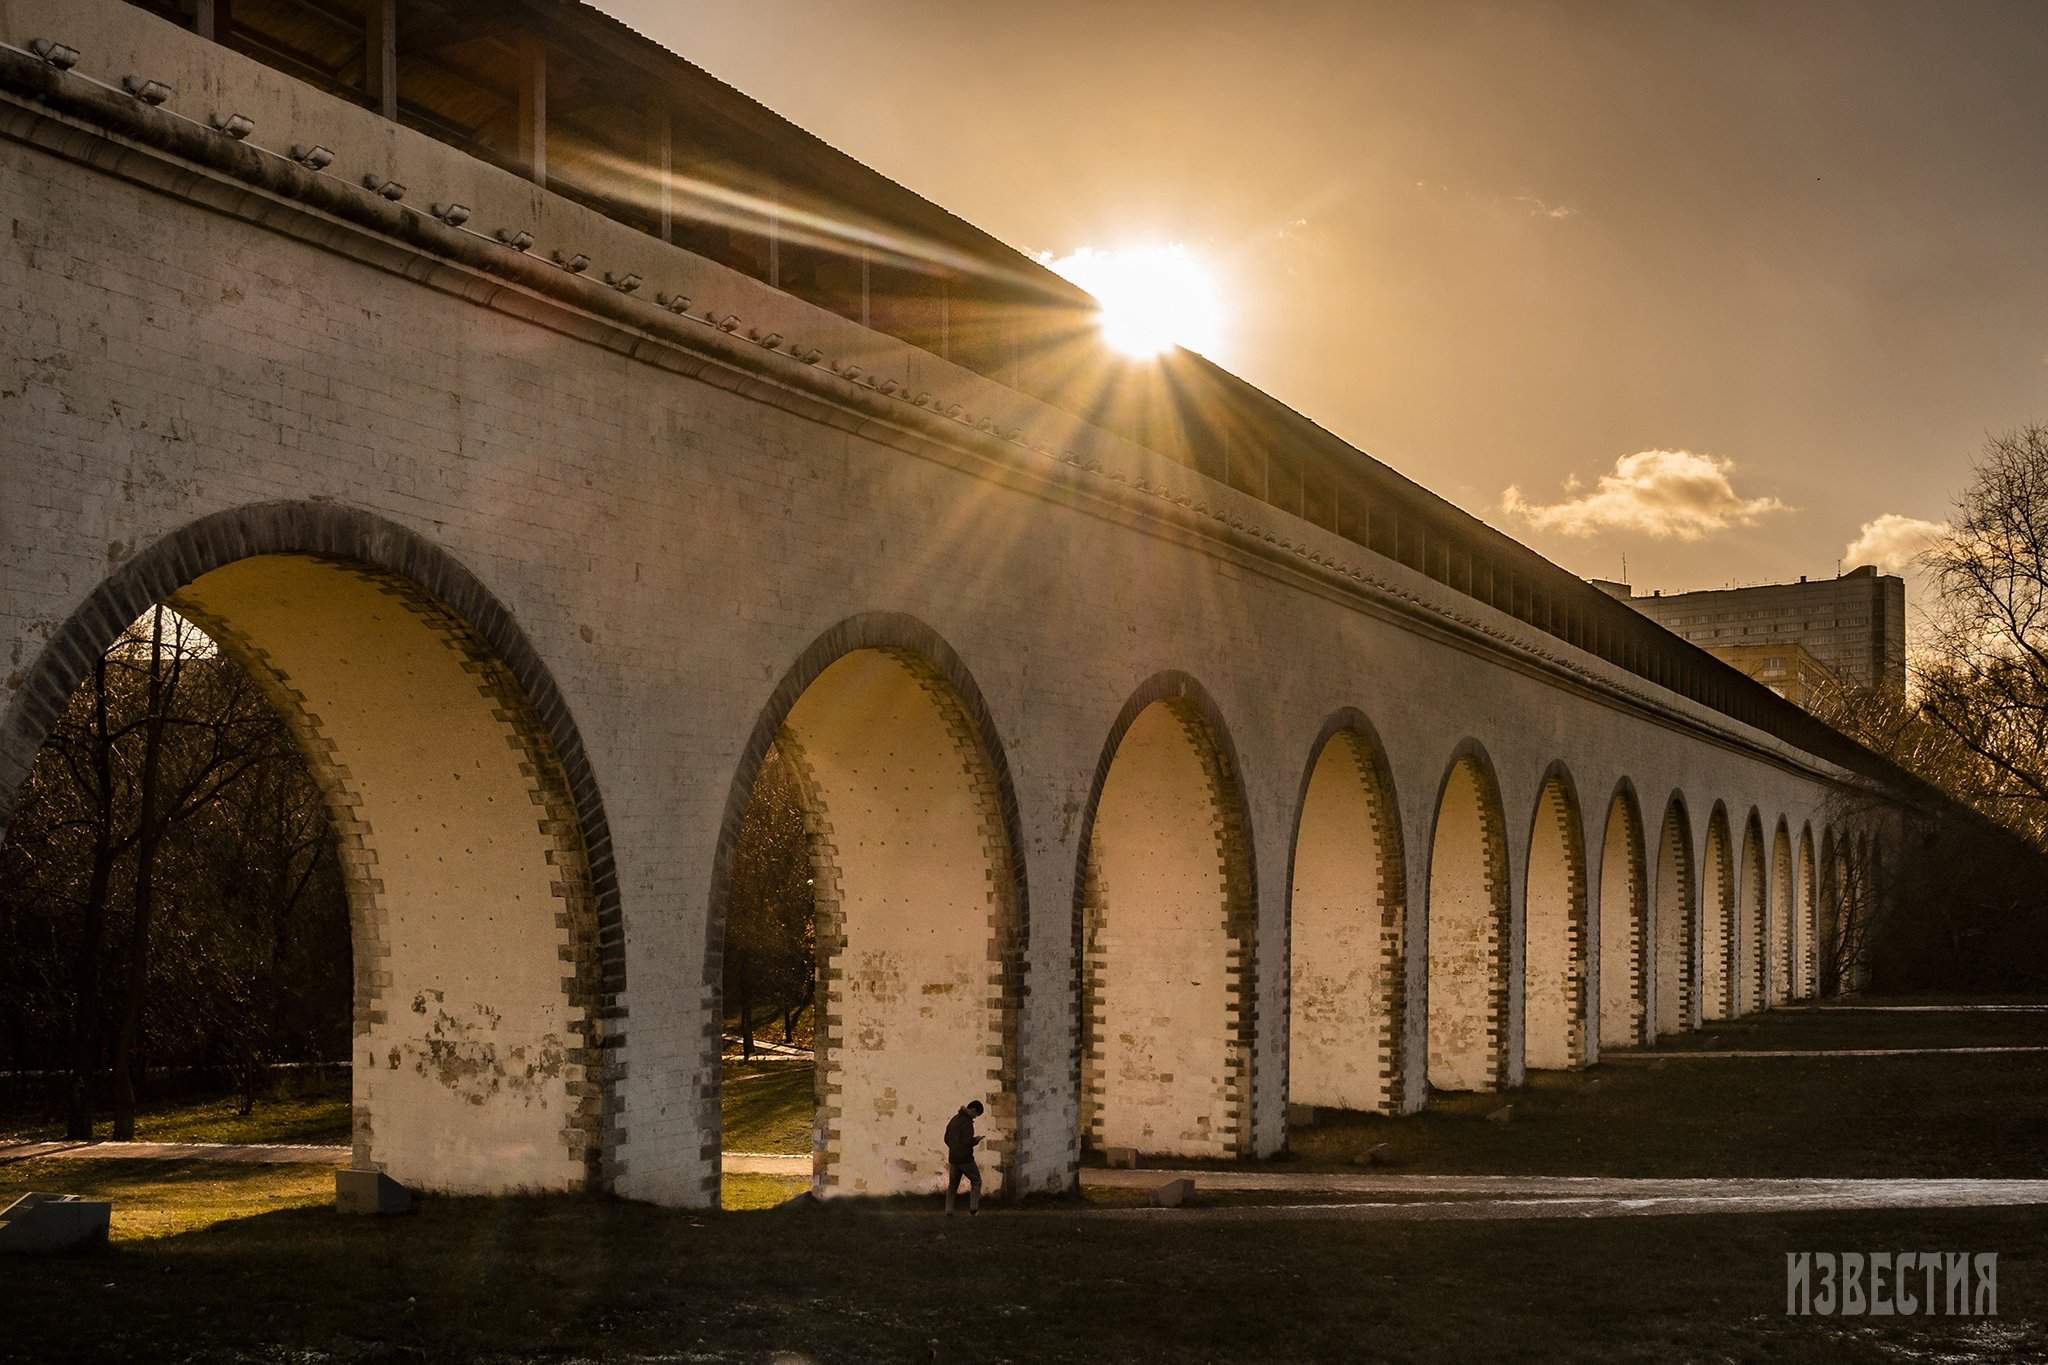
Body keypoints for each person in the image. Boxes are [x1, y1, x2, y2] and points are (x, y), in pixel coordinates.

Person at [943, 1099, 985, 1215]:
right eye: (976, 1114)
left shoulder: (954, 1119)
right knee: (976, 1181)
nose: (975, 1117)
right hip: (965, 1158)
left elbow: (946, 1138)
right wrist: (976, 1140)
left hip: (953, 1158)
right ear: (973, 1110)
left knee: (952, 1186)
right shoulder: (967, 1122)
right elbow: (967, 1141)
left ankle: (949, 1211)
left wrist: (954, 1148)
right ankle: (973, 1209)